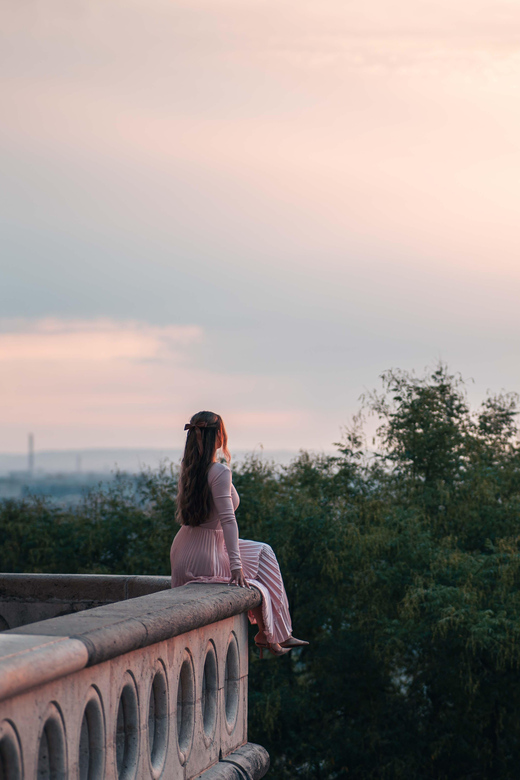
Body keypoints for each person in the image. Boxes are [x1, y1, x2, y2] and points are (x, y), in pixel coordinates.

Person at [170, 410, 308, 657]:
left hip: (187, 548)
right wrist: (236, 566)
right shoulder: (219, 472)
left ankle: (273, 634)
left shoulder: (191, 468)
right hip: (207, 554)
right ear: (219, 435)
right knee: (255, 585)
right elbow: (228, 520)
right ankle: (271, 635)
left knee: (263, 551)